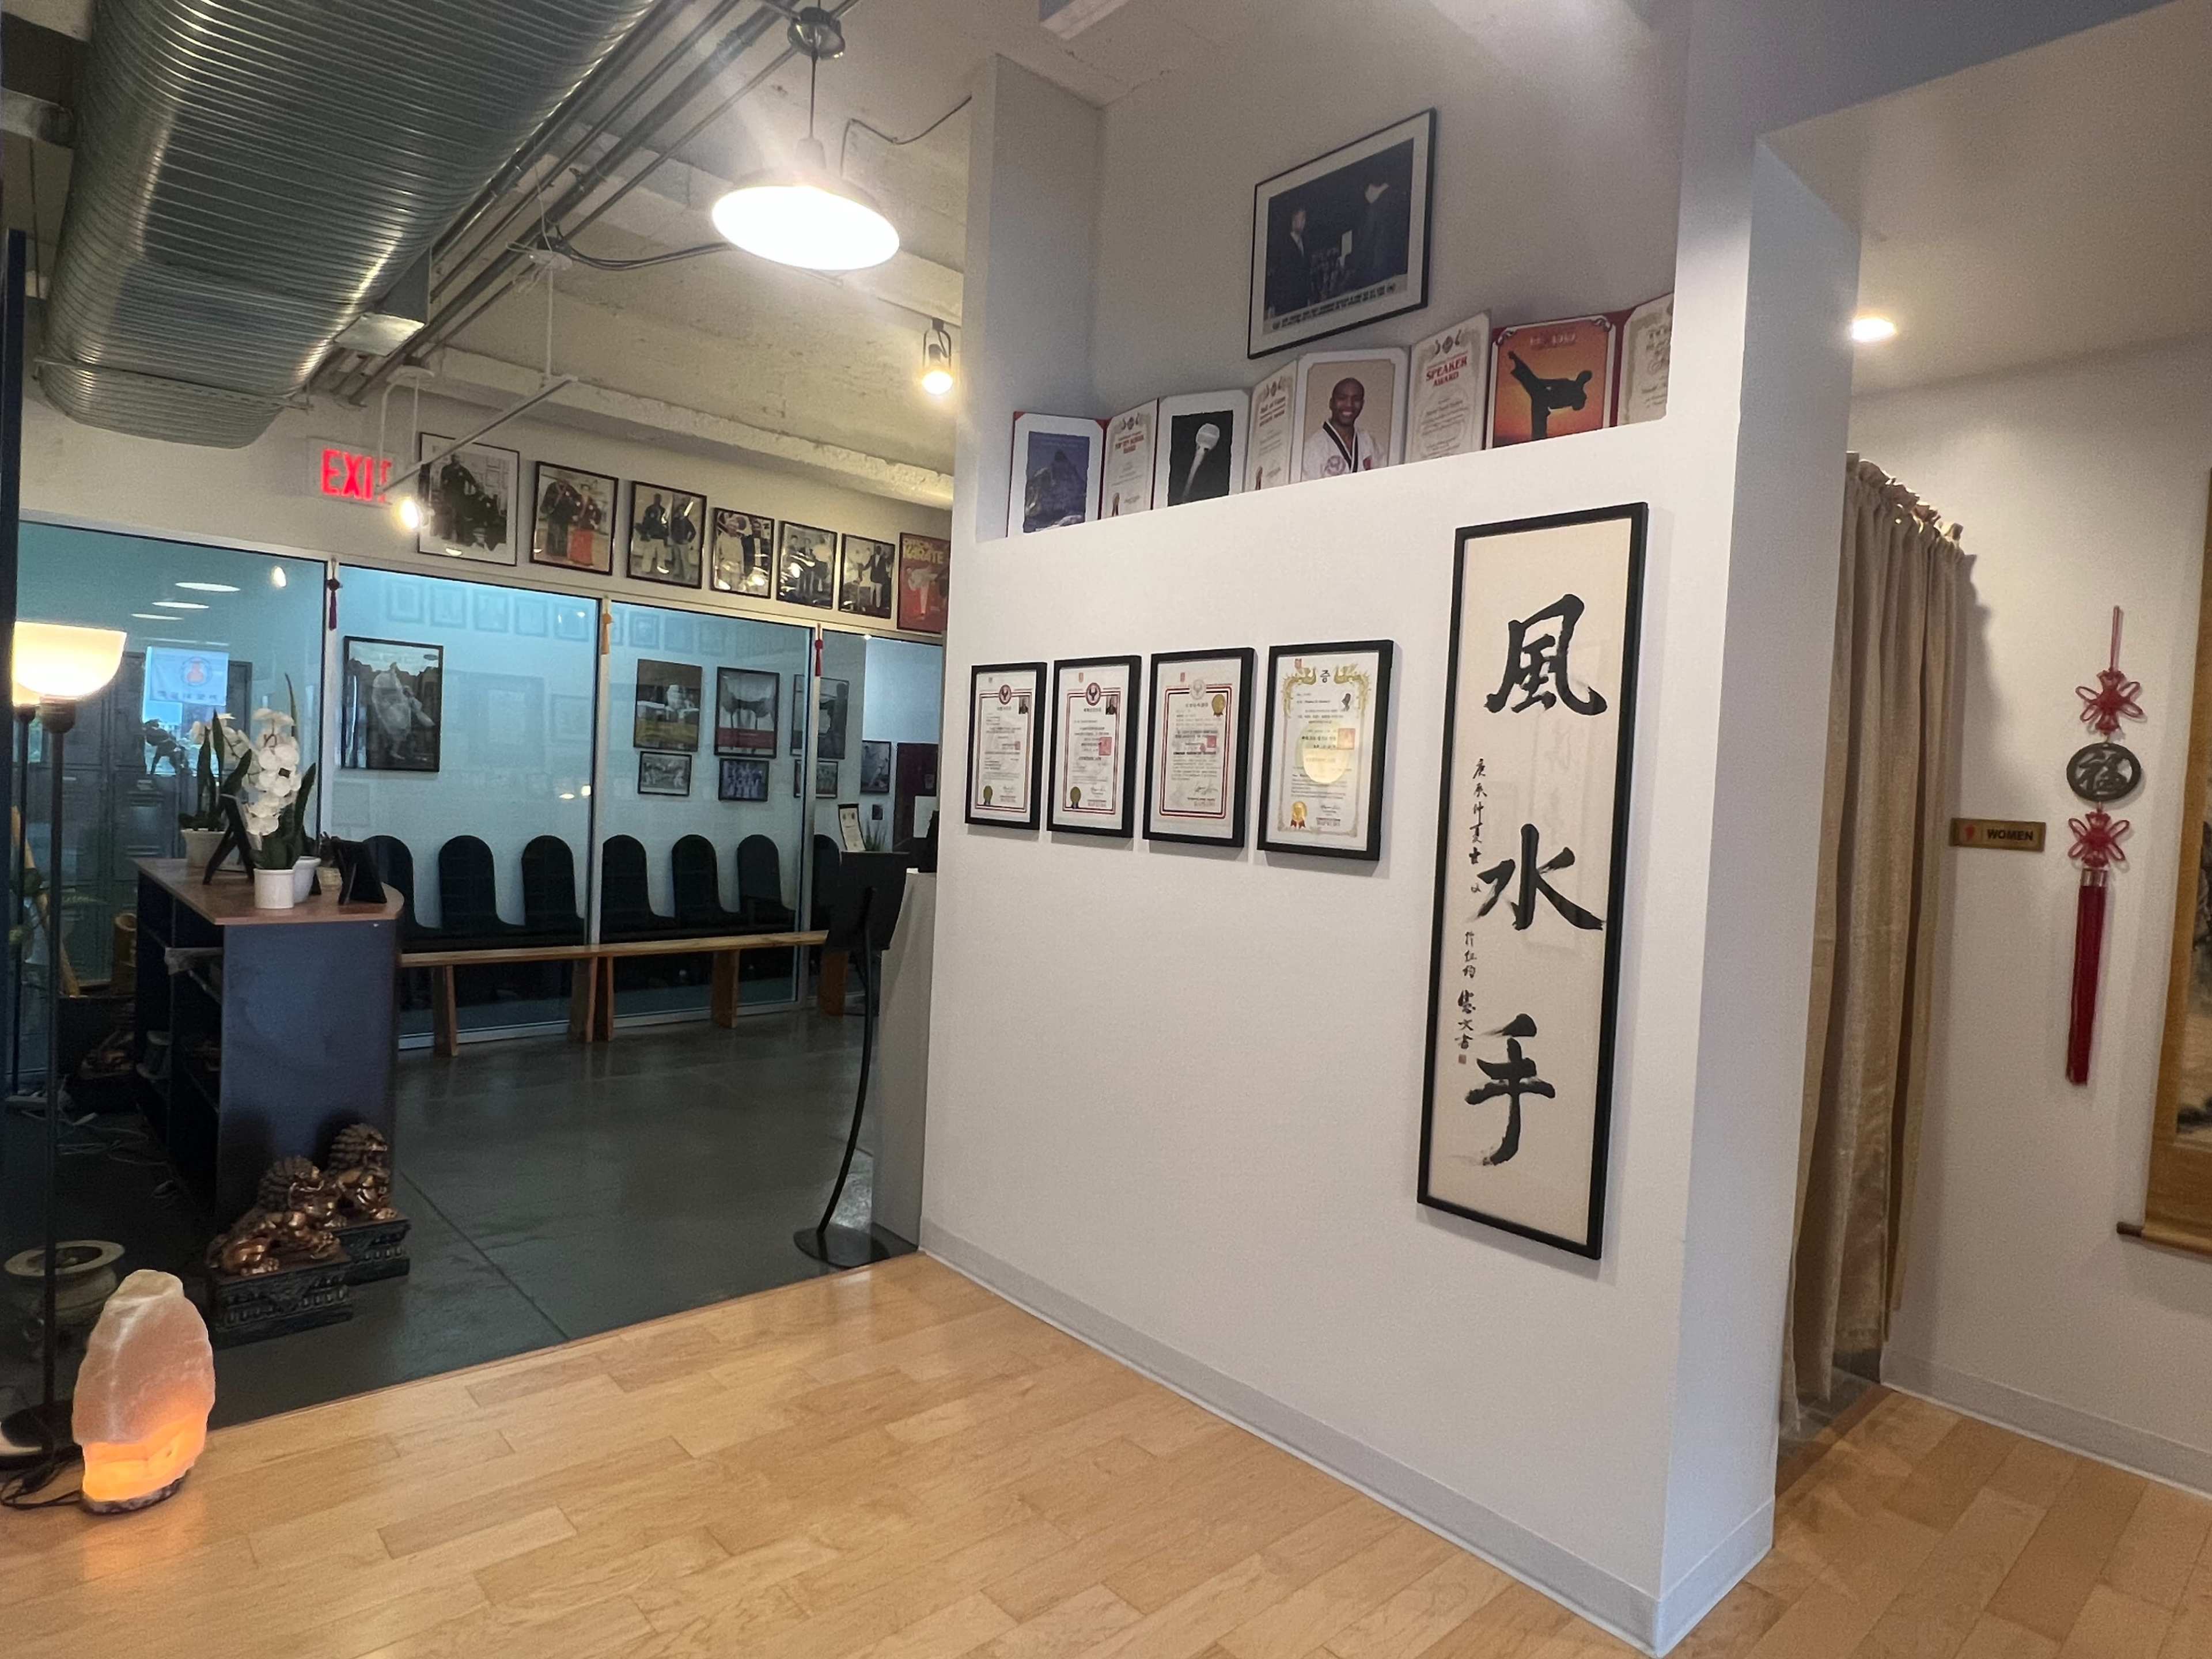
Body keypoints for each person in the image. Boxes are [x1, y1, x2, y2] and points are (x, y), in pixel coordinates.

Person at [1301, 377, 1384, 478]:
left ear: (1362, 404)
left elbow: (1382, 482)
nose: (1349, 405)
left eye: (1356, 399)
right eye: (1342, 398)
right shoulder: (1314, 448)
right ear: (1331, 403)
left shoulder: (1369, 443)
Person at [1266, 204, 1312, 317]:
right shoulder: (1282, 244)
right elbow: (1276, 274)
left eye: (1304, 219)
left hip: (1302, 301)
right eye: (1299, 218)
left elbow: (1307, 272)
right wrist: (1273, 303)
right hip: (1286, 302)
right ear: (1293, 220)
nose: (1302, 222)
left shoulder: (1306, 244)